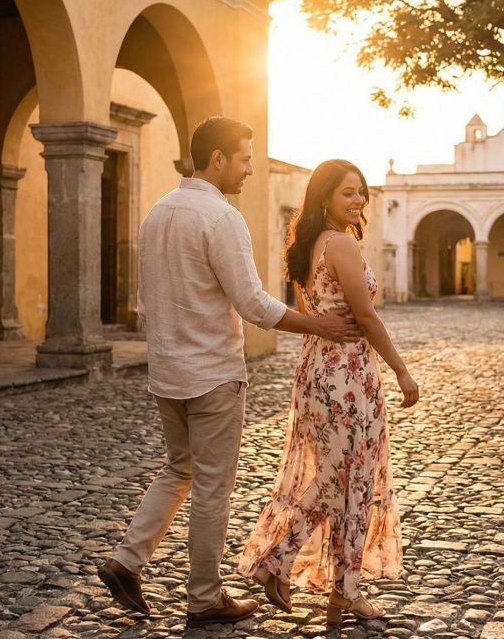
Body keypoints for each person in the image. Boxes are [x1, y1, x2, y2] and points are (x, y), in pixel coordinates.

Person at [97, 118, 362, 628]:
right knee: (212, 487)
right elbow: (253, 303)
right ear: (217, 159)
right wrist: (318, 325)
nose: (249, 169)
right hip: (212, 374)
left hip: (167, 371)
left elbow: (146, 299)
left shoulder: (156, 212)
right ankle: (203, 598)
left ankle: (126, 562)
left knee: (180, 469)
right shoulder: (221, 217)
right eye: (244, 159)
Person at [238, 159, 419, 625]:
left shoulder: (307, 245)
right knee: (348, 479)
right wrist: (401, 371)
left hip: (317, 370)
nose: (359, 200)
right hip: (348, 375)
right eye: (348, 192)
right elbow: (365, 316)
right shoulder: (341, 244)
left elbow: (311, 312)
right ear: (325, 198)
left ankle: (342, 592)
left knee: (340, 478)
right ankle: (281, 560)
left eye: (361, 191)